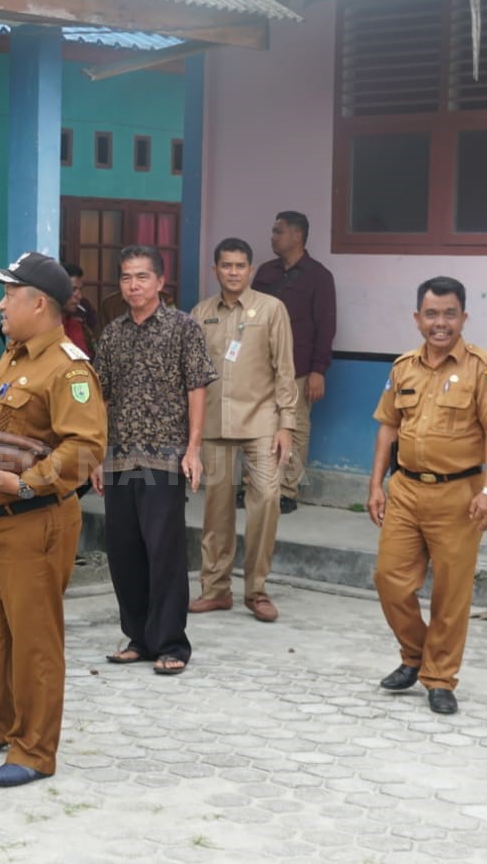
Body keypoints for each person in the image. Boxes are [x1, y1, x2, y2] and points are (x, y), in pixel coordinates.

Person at [0, 252, 106, 788]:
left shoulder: (68, 367)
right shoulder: (15, 357)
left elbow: (86, 448)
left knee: (34, 638)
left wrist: (25, 482)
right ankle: (0, 726)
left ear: (38, 304)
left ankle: (36, 751)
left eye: (9, 295)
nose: (0, 303)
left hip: (36, 520)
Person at [366, 276, 487, 716]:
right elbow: (387, 426)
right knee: (390, 579)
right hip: (406, 490)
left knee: (451, 593)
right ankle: (417, 654)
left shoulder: (482, 367)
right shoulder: (403, 367)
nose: (440, 323)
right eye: (431, 314)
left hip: (460, 495)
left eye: (450, 313)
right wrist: (376, 483)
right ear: (417, 319)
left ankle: (440, 678)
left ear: (464, 317)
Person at [92, 245, 216, 676]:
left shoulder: (184, 328)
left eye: (142, 277)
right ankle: (138, 638)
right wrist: (96, 454)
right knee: (124, 552)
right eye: (126, 277)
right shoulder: (111, 335)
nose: (133, 285)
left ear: (161, 282)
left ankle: (171, 644)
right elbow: (100, 398)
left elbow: (196, 387)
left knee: (163, 552)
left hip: (166, 458)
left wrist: (194, 448)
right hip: (120, 459)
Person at [189, 239, 298, 623]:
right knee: (216, 509)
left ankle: (257, 590)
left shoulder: (271, 310)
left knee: (266, 499)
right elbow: (191, 377)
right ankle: (216, 589)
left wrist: (287, 423)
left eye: (240, 265)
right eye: (226, 265)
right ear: (215, 269)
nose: (233, 272)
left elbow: (285, 369)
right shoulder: (200, 313)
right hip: (215, 424)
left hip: (262, 423)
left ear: (250, 270)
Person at [251, 211, 337, 515]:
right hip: (260, 366)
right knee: (256, 426)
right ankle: (255, 486)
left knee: (296, 427)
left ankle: (287, 490)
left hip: (299, 368)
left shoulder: (318, 276)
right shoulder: (265, 272)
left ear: (297, 236)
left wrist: (318, 371)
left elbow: (325, 326)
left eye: (278, 231)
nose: (272, 237)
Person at [60, 261, 95, 359]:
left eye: (80, 290)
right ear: (56, 289)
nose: (79, 296)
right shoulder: (43, 327)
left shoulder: (76, 325)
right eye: (73, 290)